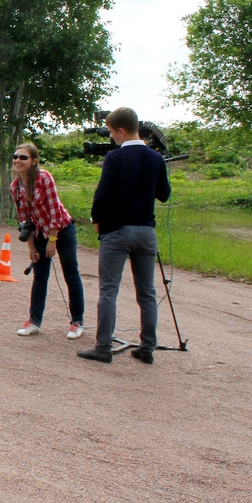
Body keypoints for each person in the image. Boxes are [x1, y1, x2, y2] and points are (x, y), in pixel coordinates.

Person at [78, 107, 171, 364]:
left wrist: (97, 220)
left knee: (109, 290)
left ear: (121, 130)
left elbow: (102, 193)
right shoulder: (155, 158)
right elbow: (164, 194)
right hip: (145, 231)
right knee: (147, 292)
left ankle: (103, 346)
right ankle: (148, 347)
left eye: (111, 131)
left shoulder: (115, 158)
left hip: (117, 230)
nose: (111, 137)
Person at [10, 143, 86, 339]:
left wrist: (52, 240)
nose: (18, 160)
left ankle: (77, 321)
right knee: (40, 275)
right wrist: (32, 246)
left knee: (70, 272)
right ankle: (34, 320)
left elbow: (54, 211)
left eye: (23, 157)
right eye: (15, 156)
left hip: (61, 228)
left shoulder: (44, 178)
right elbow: (24, 220)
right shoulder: (15, 186)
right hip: (39, 231)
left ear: (33, 161)